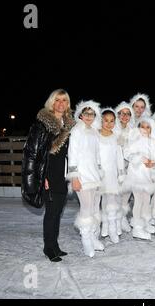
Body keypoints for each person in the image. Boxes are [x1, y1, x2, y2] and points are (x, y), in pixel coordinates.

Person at [22, 89, 75, 262]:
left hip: (62, 173)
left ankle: (55, 245)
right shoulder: (42, 123)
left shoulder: (68, 123)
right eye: (57, 100)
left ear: (67, 104)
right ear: (51, 102)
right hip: (48, 173)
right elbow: (33, 153)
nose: (60, 103)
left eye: (64, 100)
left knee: (58, 211)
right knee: (51, 213)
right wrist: (41, 176)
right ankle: (48, 247)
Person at [67, 100, 105, 258]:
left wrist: (100, 169)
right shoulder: (77, 130)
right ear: (81, 115)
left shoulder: (95, 132)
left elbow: (97, 155)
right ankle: (86, 239)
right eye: (86, 113)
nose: (89, 116)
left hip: (95, 176)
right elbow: (72, 155)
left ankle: (93, 236)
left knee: (96, 208)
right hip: (82, 177)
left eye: (92, 114)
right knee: (86, 208)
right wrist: (74, 177)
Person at [122, 117, 155, 240]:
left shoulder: (154, 142)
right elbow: (127, 153)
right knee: (138, 200)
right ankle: (137, 228)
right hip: (136, 174)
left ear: (151, 129)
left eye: (147, 127)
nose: (144, 129)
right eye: (142, 127)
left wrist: (153, 163)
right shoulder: (134, 140)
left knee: (146, 200)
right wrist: (141, 158)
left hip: (148, 175)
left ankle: (145, 221)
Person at [99, 108, 126, 243]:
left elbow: (119, 157)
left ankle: (112, 229)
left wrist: (121, 173)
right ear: (101, 121)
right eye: (106, 121)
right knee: (102, 201)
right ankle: (104, 226)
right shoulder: (96, 136)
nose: (109, 124)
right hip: (99, 175)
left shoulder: (115, 137)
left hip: (112, 174)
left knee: (111, 202)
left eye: (112, 121)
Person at [114, 101, 135, 233]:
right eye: (122, 113)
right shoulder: (111, 128)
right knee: (114, 194)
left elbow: (132, 149)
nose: (125, 116)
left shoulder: (132, 131)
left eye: (128, 114)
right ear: (118, 114)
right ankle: (114, 220)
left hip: (128, 165)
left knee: (126, 193)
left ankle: (122, 218)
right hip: (113, 166)